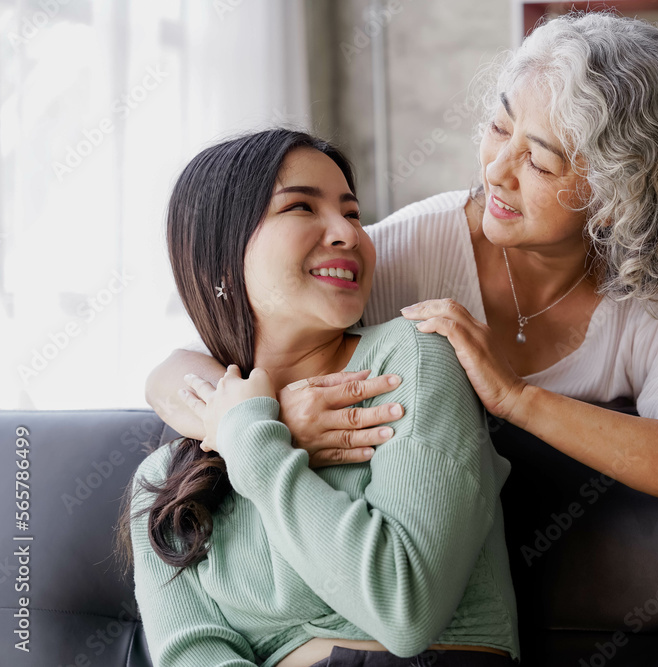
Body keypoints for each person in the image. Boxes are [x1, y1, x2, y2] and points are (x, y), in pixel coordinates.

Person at [146, 11, 658, 515]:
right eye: (500, 130)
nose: (497, 171)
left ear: (617, 196)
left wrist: (516, 398)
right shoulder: (407, 251)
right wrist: (265, 424)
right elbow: (183, 366)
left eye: (539, 161)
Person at [118, 129, 519, 667]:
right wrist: (254, 428)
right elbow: (191, 652)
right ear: (219, 255)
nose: (348, 234)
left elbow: (406, 608)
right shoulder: (164, 480)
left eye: (352, 214)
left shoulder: (411, 359)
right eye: (301, 207)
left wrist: (254, 447)